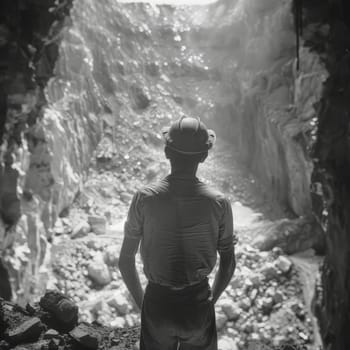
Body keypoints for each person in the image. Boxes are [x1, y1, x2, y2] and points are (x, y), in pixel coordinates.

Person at [119, 116, 237, 350]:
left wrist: (144, 305)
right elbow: (228, 262)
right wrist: (212, 298)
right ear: (204, 156)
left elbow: (125, 261)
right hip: (197, 302)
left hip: (157, 302)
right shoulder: (219, 203)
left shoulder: (144, 198)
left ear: (166, 152)